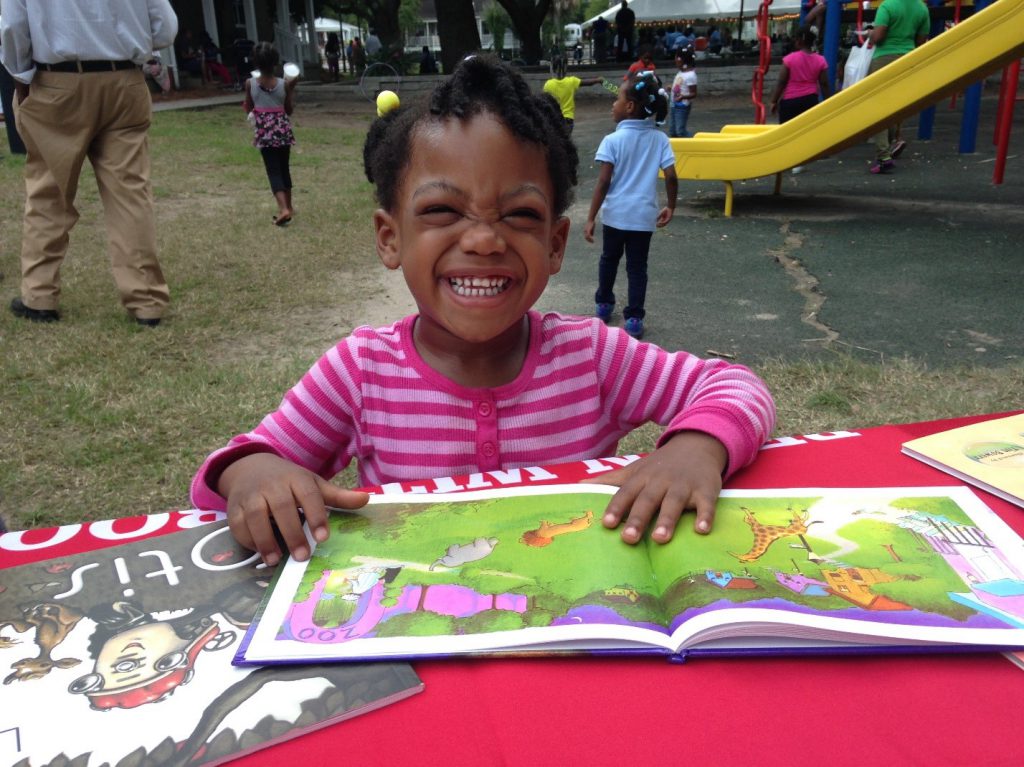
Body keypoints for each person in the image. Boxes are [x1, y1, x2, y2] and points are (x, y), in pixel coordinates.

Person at [190, 54, 775, 566]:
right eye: (444, 209)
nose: (484, 240)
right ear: (390, 238)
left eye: (519, 215)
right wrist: (251, 474)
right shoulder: (360, 372)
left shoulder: (594, 355)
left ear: (554, 244)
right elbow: (233, 472)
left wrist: (695, 448)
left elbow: (734, 386)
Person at [1, 0, 176, 326]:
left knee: (48, 192)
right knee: (130, 195)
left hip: (57, 82)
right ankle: (147, 301)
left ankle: (39, 296)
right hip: (125, 80)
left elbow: (12, 27)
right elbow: (164, 25)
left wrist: (20, 79)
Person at [584, 70, 677, 341]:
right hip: (643, 218)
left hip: (615, 216)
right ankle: (634, 319)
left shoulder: (612, 140)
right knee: (637, 268)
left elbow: (603, 182)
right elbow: (671, 176)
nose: (612, 105)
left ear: (629, 107)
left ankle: (604, 304)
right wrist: (671, 205)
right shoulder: (660, 139)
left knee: (608, 260)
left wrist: (590, 217)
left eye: (617, 99)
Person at [867, 0, 930, 174]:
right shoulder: (921, 8)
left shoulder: (887, 6)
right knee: (894, 105)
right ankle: (888, 145)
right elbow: (920, 40)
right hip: (907, 59)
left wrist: (870, 33)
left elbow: (878, 37)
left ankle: (883, 155)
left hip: (884, 58)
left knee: (877, 107)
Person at [244, 42, 298, 226]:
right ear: (275, 63)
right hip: (283, 132)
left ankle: (283, 209)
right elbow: (288, 110)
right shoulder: (284, 84)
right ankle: (289, 207)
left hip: (265, 134)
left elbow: (248, 106)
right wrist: (290, 90)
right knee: (284, 168)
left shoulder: (250, 83)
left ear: (256, 63)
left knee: (273, 170)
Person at [769, 27, 830, 173]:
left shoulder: (790, 59)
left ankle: (787, 159)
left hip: (790, 100)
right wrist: (829, 100)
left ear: (800, 41)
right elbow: (824, 83)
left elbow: (782, 82)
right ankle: (800, 160)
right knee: (805, 131)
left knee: (787, 131)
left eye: (796, 38)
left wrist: (773, 100)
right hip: (810, 99)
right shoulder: (820, 60)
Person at [543, 58, 602, 134]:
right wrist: (598, 80)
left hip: (554, 119)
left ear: (553, 69)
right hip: (568, 119)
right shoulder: (572, 81)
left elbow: (545, 102)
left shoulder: (548, 84)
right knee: (566, 140)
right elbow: (589, 83)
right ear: (566, 68)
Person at [670, 48, 698, 138]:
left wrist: (683, 97)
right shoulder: (681, 72)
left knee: (680, 131)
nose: (675, 62)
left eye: (676, 59)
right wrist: (672, 88)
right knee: (672, 130)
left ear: (680, 60)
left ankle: (695, 141)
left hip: (682, 107)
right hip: (674, 104)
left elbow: (694, 93)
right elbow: (681, 86)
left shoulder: (690, 76)